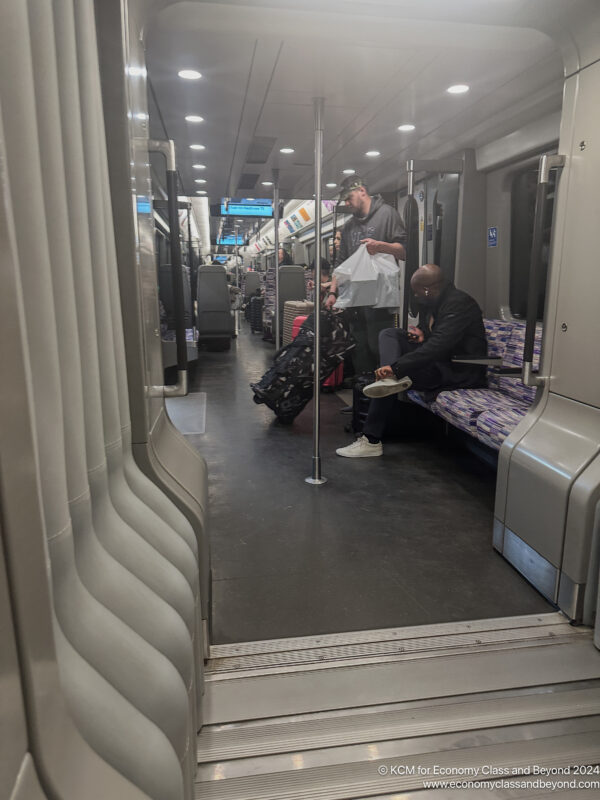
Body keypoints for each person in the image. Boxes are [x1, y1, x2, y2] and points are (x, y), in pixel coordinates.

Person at [336, 264, 487, 458]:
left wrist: (395, 367)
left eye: (417, 293)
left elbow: (438, 346)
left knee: (397, 375)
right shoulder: (434, 302)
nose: (416, 297)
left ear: (427, 289)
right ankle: (390, 379)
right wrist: (422, 334)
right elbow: (432, 337)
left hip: (459, 370)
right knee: (390, 333)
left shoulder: (459, 304)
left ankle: (371, 441)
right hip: (441, 362)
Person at [325, 176, 406, 374]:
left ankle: (381, 401)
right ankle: (362, 400)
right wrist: (333, 292)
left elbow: (404, 251)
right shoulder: (349, 226)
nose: (347, 203)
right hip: (355, 298)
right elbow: (340, 263)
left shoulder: (388, 214)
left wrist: (380, 246)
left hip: (380, 298)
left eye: (349, 198)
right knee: (359, 349)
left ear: (362, 191)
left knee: (377, 347)